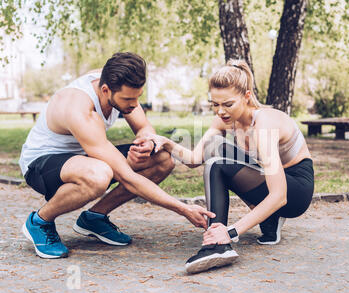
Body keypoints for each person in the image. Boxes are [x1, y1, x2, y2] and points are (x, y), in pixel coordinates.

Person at [19, 52, 214, 259]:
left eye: (138, 97)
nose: (134, 104)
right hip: (40, 164)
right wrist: (183, 209)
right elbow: (127, 177)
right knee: (98, 175)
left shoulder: (116, 82)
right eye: (129, 99)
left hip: (84, 155)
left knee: (162, 158)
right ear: (105, 90)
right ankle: (40, 221)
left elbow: (144, 126)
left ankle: (94, 218)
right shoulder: (80, 109)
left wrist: (146, 142)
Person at [152, 59, 314, 273]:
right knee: (215, 147)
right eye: (215, 104)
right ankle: (269, 221)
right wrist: (167, 143)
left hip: (295, 191)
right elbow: (193, 159)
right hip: (268, 178)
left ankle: (218, 244)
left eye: (228, 104)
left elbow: (279, 195)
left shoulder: (264, 123)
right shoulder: (224, 120)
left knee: (217, 164)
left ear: (247, 96)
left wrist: (231, 231)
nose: (220, 112)